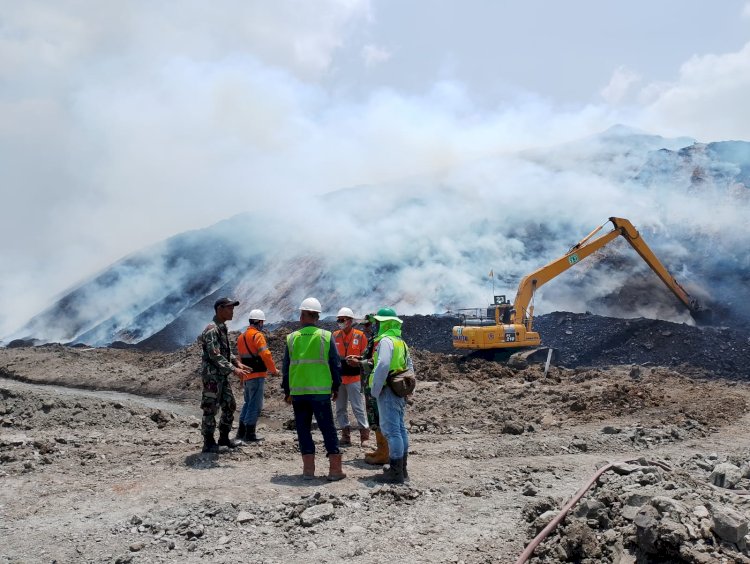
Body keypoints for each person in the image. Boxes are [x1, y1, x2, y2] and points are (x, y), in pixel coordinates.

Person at [282, 297, 346, 481]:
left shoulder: (292, 338)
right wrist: (336, 386)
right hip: (320, 392)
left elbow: (286, 369)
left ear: (302, 315)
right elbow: (335, 364)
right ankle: (335, 470)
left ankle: (308, 470)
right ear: (317, 317)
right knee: (328, 428)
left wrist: (287, 391)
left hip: (299, 392)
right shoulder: (326, 336)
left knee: (303, 429)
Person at [368, 307, 413, 483]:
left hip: (387, 390)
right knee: (400, 430)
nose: (376, 325)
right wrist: (409, 390)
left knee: (392, 431)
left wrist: (375, 389)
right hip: (399, 390)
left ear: (384, 323)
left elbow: (383, 365)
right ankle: (402, 470)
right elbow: (410, 366)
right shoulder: (400, 342)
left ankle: (395, 473)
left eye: (378, 322)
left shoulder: (386, 341)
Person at [199, 297, 250, 454]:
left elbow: (224, 352)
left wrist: (236, 362)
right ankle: (208, 443)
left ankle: (224, 439)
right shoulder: (212, 329)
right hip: (212, 377)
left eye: (232, 308)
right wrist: (234, 370)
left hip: (221, 376)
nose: (232, 311)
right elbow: (215, 355)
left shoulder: (221, 328)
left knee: (230, 405)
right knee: (210, 408)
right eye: (229, 308)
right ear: (219, 309)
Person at [349, 314, 390, 465]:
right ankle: (382, 450)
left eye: (368, 325)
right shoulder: (374, 339)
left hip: (377, 385)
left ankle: (384, 452)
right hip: (371, 384)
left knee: (380, 417)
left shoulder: (380, 340)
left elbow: (377, 362)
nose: (365, 329)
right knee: (375, 416)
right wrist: (360, 358)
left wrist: (359, 363)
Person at [236, 309, 279, 443]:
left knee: (247, 403)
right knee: (255, 404)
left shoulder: (241, 337)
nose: (263, 325)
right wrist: (273, 370)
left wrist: (242, 378)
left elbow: (240, 359)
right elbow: (266, 355)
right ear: (259, 322)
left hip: (247, 376)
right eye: (262, 322)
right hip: (257, 375)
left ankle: (241, 432)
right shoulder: (257, 336)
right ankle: (250, 434)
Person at [333, 307, 370, 447]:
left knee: (358, 407)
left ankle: (364, 436)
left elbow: (367, 356)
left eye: (342, 320)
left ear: (350, 321)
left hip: (354, 378)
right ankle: (345, 435)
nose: (340, 322)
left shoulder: (360, 336)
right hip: (340, 378)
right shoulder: (335, 335)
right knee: (340, 408)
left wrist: (357, 359)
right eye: (338, 320)